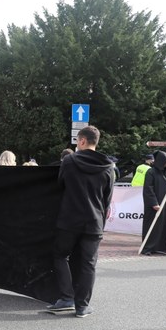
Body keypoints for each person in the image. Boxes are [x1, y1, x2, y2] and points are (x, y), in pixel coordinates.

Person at [47, 125, 114, 318]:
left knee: (60, 256)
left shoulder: (69, 161)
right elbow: (107, 198)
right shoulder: (108, 166)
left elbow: (61, 184)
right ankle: (82, 306)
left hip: (69, 219)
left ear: (83, 141)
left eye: (77, 141)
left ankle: (66, 297)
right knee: (88, 264)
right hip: (94, 221)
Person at [140, 150, 166, 256]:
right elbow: (148, 189)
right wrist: (154, 203)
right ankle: (149, 247)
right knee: (153, 226)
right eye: (164, 161)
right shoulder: (151, 172)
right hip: (155, 205)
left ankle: (165, 247)